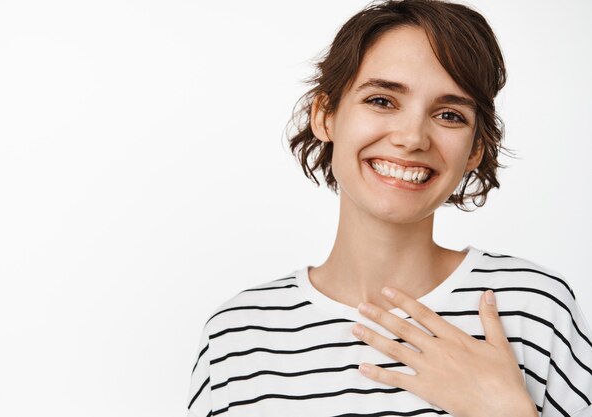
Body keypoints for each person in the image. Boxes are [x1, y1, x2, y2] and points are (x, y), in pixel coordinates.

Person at [186, 0, 592, 416]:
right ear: (325, 115)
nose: (412, 137)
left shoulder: (532, 310)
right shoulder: (237, 336)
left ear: (476, 149)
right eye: (382, 101)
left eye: (449, 114)